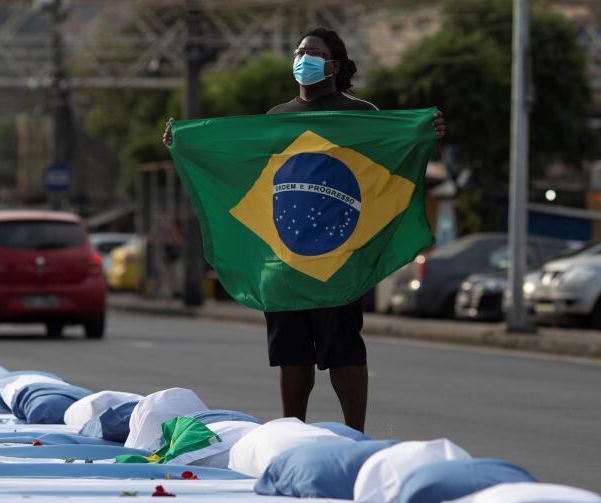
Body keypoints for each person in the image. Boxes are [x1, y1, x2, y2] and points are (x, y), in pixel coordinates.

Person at [163, 28, 445, 432]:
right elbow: (241, 164)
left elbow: (389, 157)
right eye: (299, 51)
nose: (302, 58)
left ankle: (355, 436)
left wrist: (422, 131)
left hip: (339, 259)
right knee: (290, 354)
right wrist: (186, 142)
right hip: (285, 258)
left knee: (344, 350)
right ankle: (291, 432)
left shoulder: (360, 114)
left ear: (334, 65)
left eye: (313, 52)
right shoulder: (276, 118)